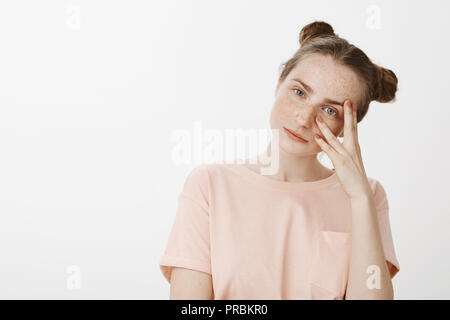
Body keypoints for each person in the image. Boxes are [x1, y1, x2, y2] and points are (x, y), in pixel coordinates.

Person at [159, 20, 400, 300]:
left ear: (349, 126)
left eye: (329, 110)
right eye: (299, 93)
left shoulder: (369, 196)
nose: (304, 119)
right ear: (278, 85)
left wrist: (359, 198)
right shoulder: (210, 185)